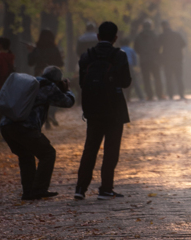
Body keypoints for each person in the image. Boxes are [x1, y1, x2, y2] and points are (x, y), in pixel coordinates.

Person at [75, 21, 132, 200]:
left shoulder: (87, 56)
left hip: (92, 109)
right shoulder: (119, 55)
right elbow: (126, 82)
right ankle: (106, 188)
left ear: (98, 37)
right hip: (114, 108)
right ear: (115, 38)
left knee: (90, 147)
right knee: (111, 149)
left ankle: (80, 188)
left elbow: (81, 82)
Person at [0, 65, 75, 201]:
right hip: (25, 128)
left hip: (7, 126)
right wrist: (68, 90)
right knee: (48, 153)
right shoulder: (48, 86)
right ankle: (39, 189)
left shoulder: (31, 83)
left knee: (26, 155)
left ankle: (28, 192)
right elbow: (68, 102)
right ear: (57, 80)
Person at [27, 29, 64, 127]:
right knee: (54, 95)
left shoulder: (37, 49)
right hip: (52, 75)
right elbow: (60, 63)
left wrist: (31, 51)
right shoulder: (54, 49)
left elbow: (30, 63)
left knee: (41, 97)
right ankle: (51, 114)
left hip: (39, 74)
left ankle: (45, 119)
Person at [134, 18, 164, 100]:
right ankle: (159, 94)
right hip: (154, 60)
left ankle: (149, 95)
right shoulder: (154, 35)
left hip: (144, 61)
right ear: (150, 26)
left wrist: (143, 54)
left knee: (146, 78)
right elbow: (158, 47)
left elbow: (136, 49)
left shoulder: (138, 36)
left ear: (143, 26)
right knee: (157, 77)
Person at [159, 20, 187, 99]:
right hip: (177, 59)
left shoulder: (162, 36)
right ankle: (181, 94)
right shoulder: (177, 34)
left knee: (168, 78)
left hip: (167, 60)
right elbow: (184, 44)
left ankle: (171, 95)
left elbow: (158, 47)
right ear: (169, 25)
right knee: (179, 77)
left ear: (162, 26)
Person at [119, 36, 143, 101]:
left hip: (120, 67)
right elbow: (135, 58)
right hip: (129, 66)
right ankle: (141, 97)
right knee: (134, 82)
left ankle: (121, 97)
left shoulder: (119, 49)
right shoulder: (130, 49)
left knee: (121, 82)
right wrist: (135, 65)